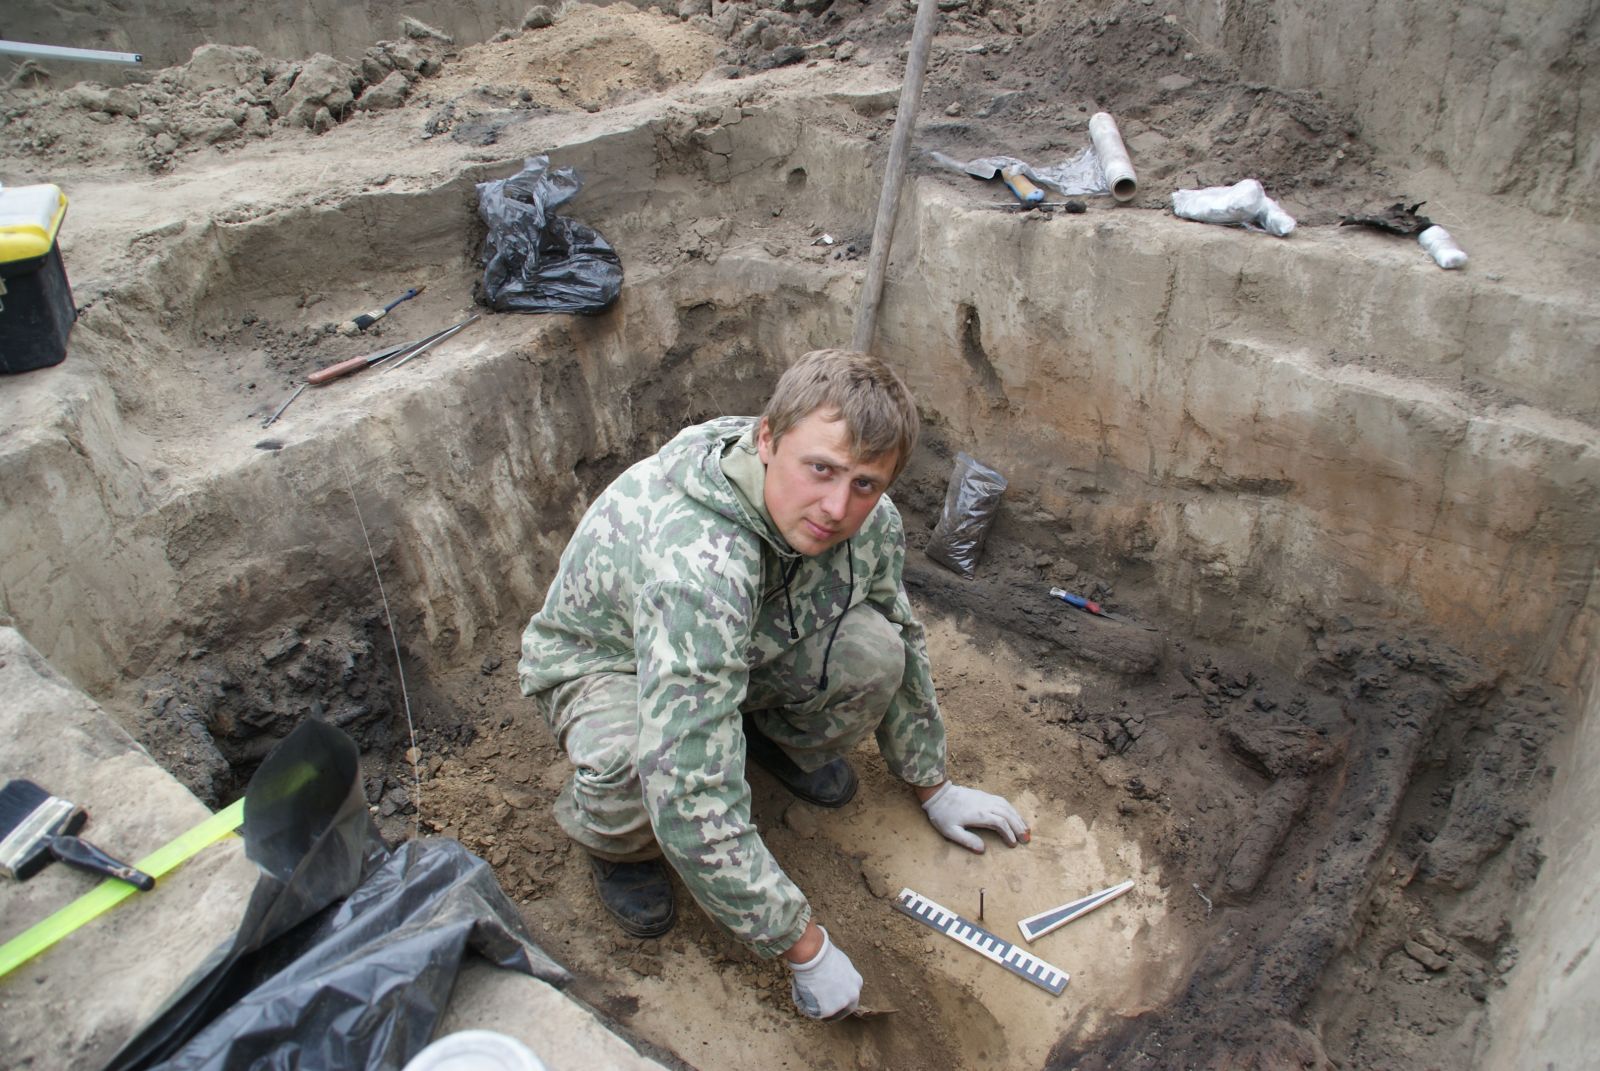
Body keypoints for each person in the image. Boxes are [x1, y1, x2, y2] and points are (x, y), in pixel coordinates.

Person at [518, 348, 1029, 1019]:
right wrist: (803, 945)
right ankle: (615, 842)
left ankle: (768, 738)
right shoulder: (697, 563)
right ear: (767, 438)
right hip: (611, 662)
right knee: (637, 770)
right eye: (821, 469)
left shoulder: (867, 522)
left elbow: (901, 632)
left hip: (735, 638)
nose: (837, 506)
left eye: (866, 483)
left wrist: (935, 785)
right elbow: (690, 787)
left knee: (873, 655)